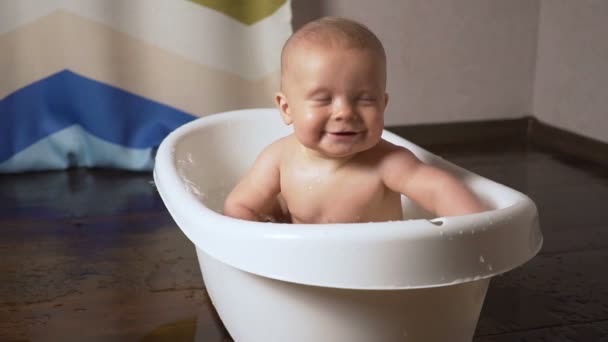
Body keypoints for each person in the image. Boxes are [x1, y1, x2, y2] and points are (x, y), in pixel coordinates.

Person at [224, 16, 485, 224]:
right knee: (273, 207)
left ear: (383, 105)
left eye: (365, 99)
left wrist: (476, 228)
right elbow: (240, 205)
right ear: (286, 108)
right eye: (323, 99)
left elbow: (440, 189)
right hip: (303, 267)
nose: (345, 112)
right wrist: (261, 240)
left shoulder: (389, 163)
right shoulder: (278, 159)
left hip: (375, 273)